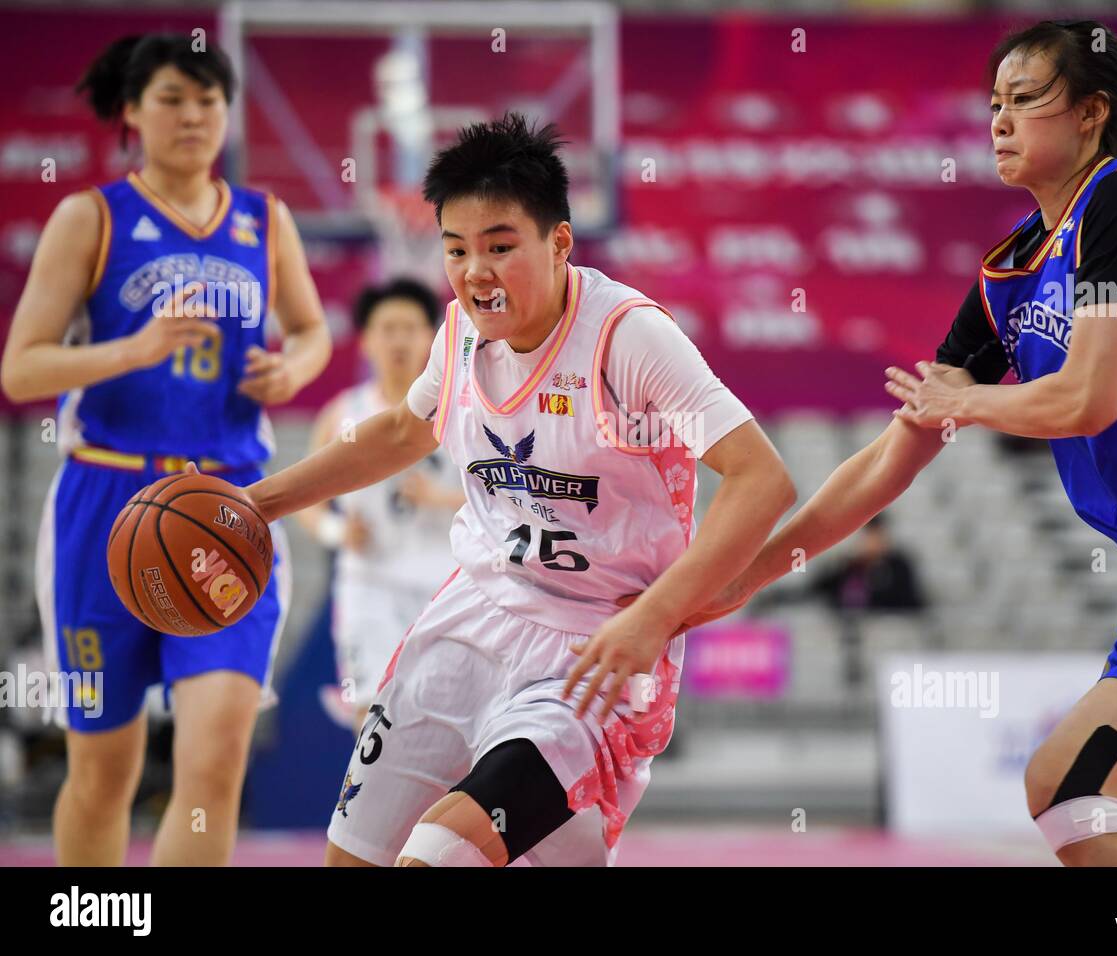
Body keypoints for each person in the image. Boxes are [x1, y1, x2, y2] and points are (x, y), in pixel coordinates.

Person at [614, 19, 1117, 867]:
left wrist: (971, 403)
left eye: (1024, 99)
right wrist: (747, 573)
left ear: (1092, 112)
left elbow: (1089, 398)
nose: (998, 121)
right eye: (993, 104)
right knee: (1113, 844)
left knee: (1069, 789)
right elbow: (891, 457)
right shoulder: (1010, 271)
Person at [239, 113, 795, 867]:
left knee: (434, 860)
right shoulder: (460, 332)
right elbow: (404, 434)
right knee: (352, 861)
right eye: (457, 250)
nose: (475, 272)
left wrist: (657, 617)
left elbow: (762, 479)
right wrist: (258, 504)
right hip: (471, 619)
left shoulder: (628, 338)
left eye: (500, 247)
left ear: (559, 242)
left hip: (594, 646)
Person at [0, 34, 331, 866]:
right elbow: (21, 366)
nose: (193, 116)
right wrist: (130, 350)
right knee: (103, 772)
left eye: (209, 100)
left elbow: (315, 329)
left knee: (216, 758)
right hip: (104, 508)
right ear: (132, 112)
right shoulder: (91, 216)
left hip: (228, 505)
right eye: (173, 99)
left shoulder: (264, 218)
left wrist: (292, 368)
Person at [297, 278, 464, 732]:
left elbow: (503, 493)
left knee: (448, 724)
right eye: (387, 329)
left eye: (410, 328)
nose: (399, 340)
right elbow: (304, 500)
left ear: (432, 338)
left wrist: (442, 498)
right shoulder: (343, 414)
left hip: (449, 586)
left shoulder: (463, 406)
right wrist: (335, 532)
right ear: (367, 341)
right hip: (370, 583)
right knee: (370, 716)